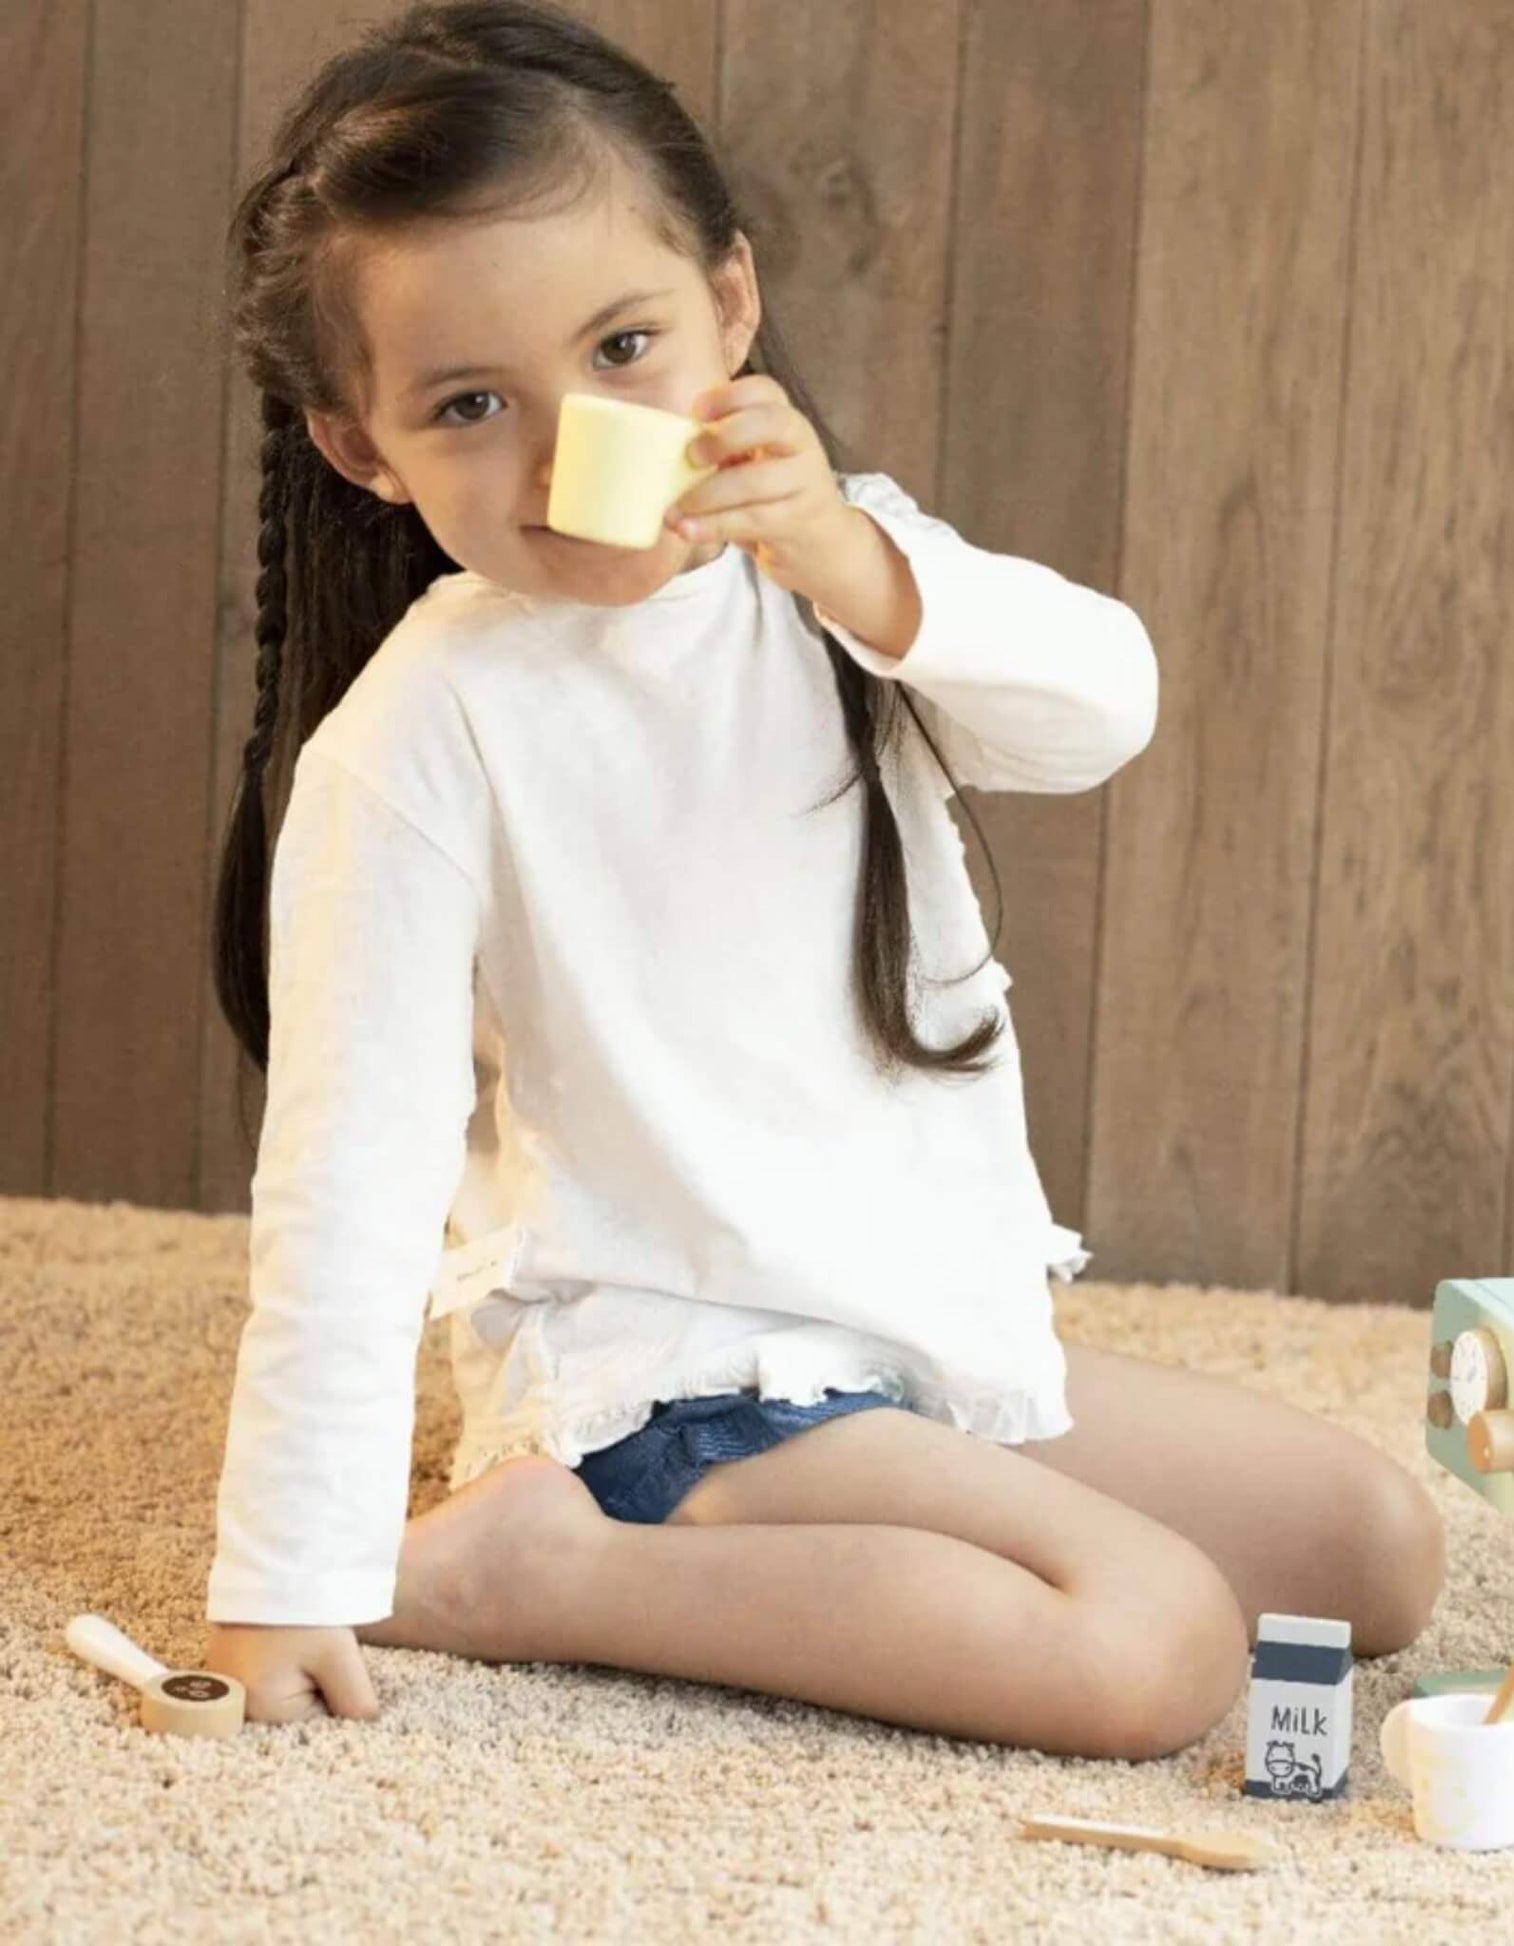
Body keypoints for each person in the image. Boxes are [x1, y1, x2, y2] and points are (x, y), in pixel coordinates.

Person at [201, 0, 1445, 1757]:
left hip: (902, 1333)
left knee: (1370, 1551)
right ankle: (530, 1566)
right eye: (470, 404)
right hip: (671, 1379)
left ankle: (793, 1503)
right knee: (1153, 1641)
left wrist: (854, 563)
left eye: (623, 346)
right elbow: (346, 1178)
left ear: (731, 306)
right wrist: (290, 1569)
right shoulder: (423, 733)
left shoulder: (835, 567)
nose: (566, 448)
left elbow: (1103, 705)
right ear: (364, 449)